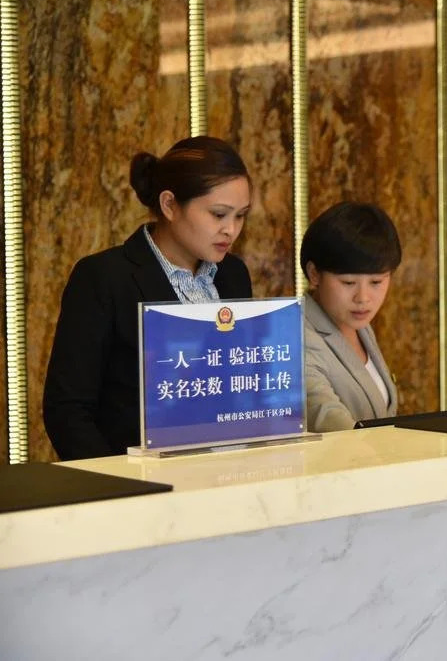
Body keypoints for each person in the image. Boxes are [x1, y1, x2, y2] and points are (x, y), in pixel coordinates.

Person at [44, 136, 254, 460]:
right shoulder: (104, 277)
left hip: (225, 470)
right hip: (137, 477)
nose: (231, 230)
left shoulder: (233, 274)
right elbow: (67, 410)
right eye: (218, 214)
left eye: (240, 216)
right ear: (169, 205)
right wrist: (118, 482)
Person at [301, 202, 400, 432]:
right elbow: (325, 414)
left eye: (376, 282)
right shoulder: (297, 337)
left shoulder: (359, 324)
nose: (363, 298)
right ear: (314, 274)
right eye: (348, 283)